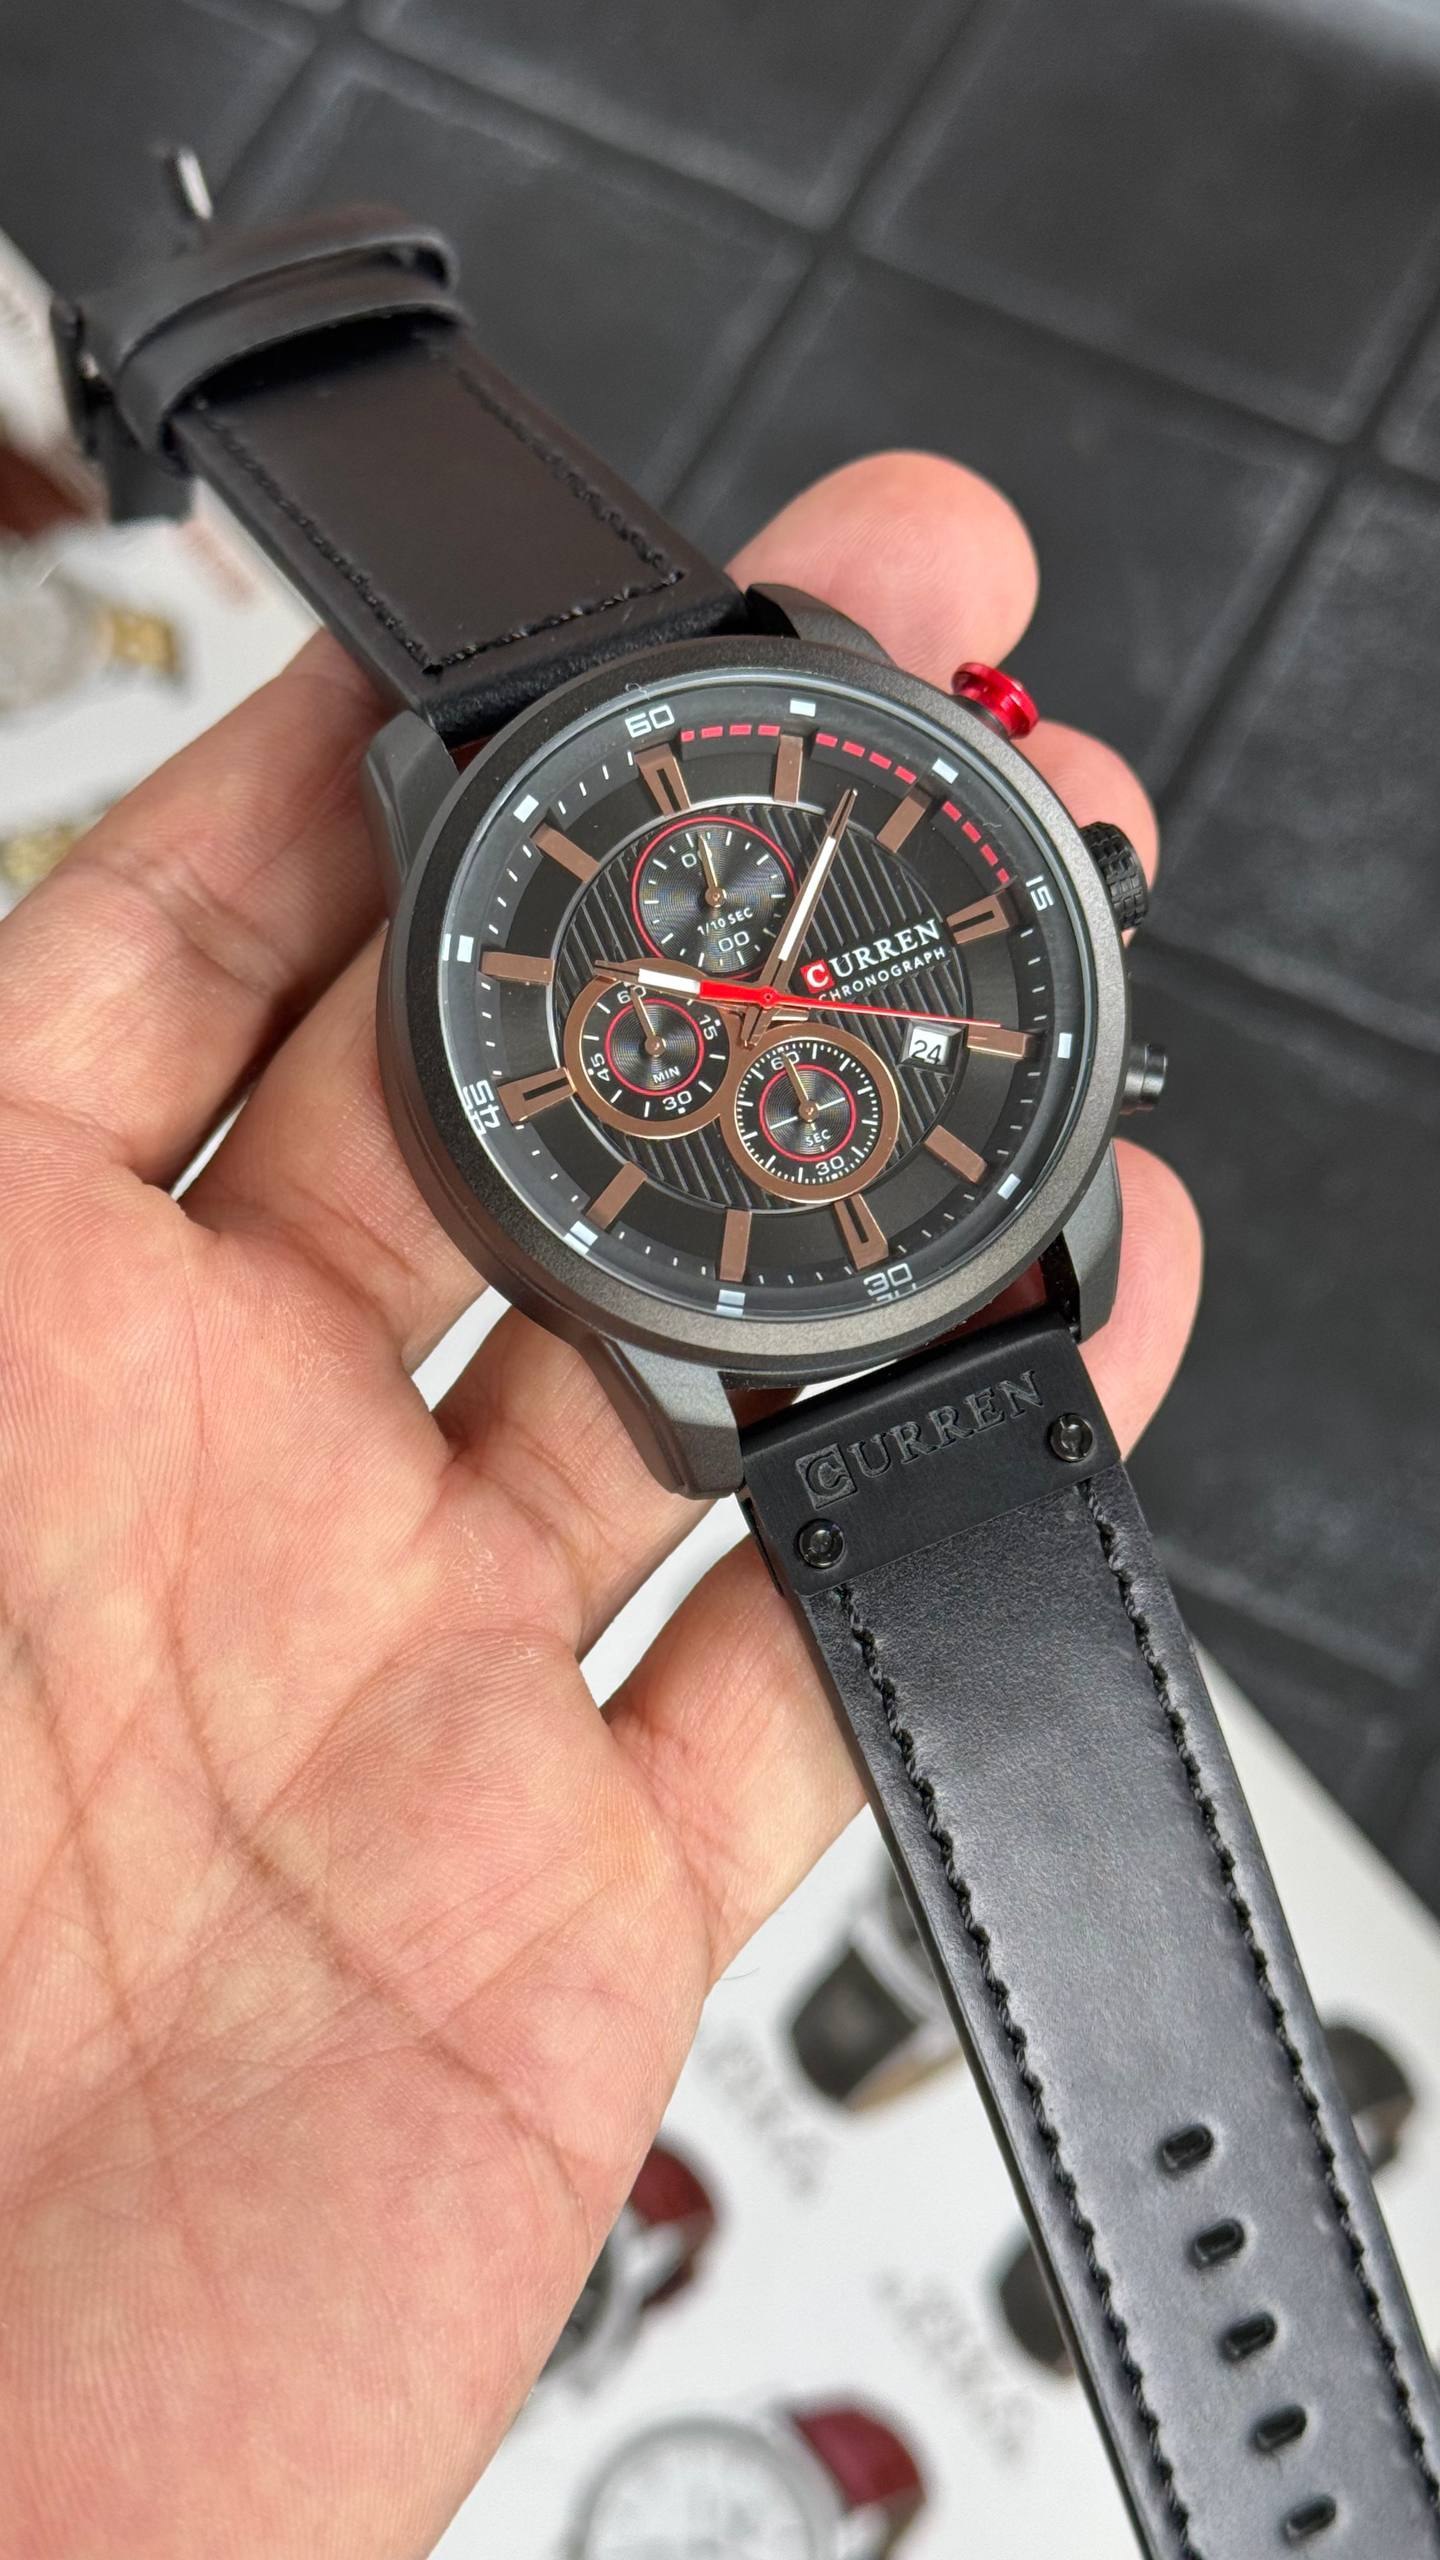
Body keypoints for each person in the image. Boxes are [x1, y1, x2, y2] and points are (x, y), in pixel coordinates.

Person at [0, 452, 1201, 2557]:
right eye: (720, 1015)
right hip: (767, 1286)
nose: (763, 1009)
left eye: (780, 1004)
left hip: (960, 1232)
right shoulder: (502, 898)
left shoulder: (821, 738)